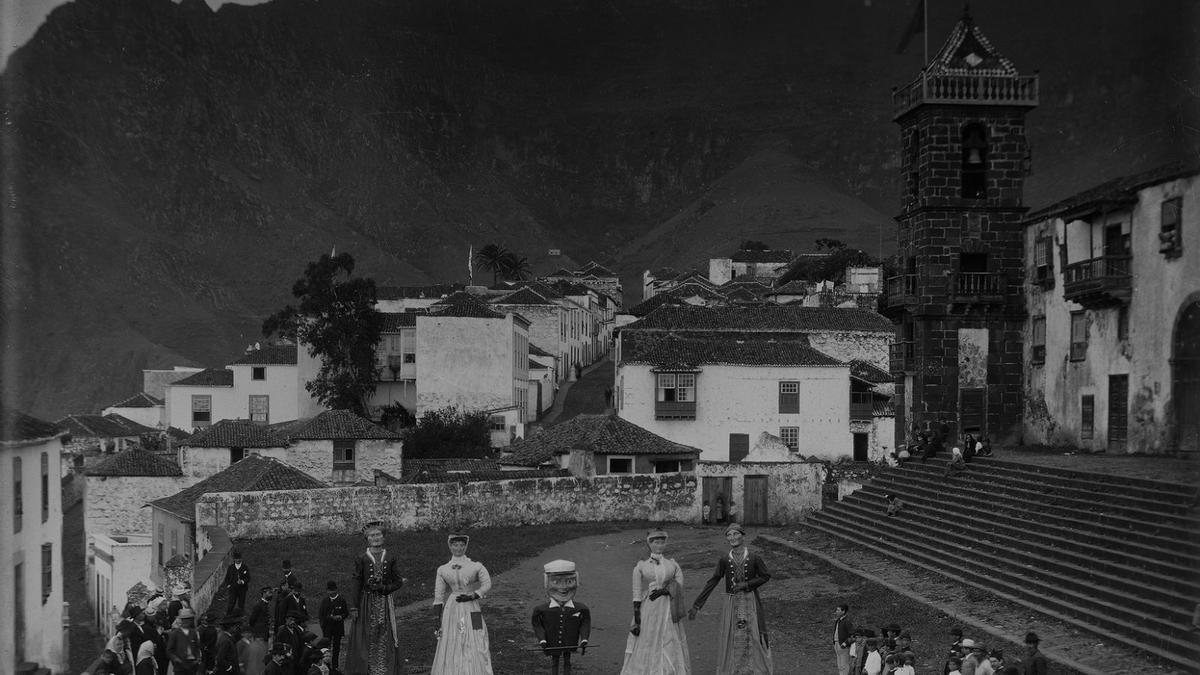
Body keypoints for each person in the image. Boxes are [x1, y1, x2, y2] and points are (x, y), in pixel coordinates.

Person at [688, 523, 772, 675]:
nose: (732, 537)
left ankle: (755, 668)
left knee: (753, 632)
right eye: (729, 535)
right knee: (732, 634)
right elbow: (713, 580)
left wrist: (747, 584)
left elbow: (766, 576)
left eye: (735, 534)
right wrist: (697, 605)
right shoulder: (725, 559)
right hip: (731, 601)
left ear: (742, 536)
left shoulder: (754, 558)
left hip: (750, 600)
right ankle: (734, 668)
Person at [620, 529, 689, 675]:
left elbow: (679, 582)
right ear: (649, 544)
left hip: (668, 606)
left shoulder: (672, 564)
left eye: (662, 542)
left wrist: (664, 591)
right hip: (650, 606)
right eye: (656, 542)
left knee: (669, 635)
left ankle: (668, 669)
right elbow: (637, 592)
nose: (659, 545)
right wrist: (637, 616)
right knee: (648, 635)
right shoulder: (642, 566)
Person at [343, 521, 404, 675]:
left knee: (384, 632)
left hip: (384, 602)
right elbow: (356, 581)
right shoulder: (362, 558)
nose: (375, 538)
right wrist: (354, 606)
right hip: (367, 602)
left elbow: (398, 582)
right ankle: (368, 669)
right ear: (367, 539)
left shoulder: (390, 557)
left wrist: (384, 588)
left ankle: (383, 669)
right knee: (367, 633)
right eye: (372, 535)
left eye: (378, 534)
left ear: (383, 537)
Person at [430, 533, 494, 674]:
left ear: (465, 546)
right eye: (455, 545)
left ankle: (476, 669)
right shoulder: (443, 569)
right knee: (456, 635)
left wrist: (474, 595)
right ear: (450, 546)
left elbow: (487, 583)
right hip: (453, 607)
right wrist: (437, 619)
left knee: (477, 633)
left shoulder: (475, 566)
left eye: (461, 545)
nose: (458, 548)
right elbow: (439, 595)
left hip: (472, 606)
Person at [531, 559, 591, 675]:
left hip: (569, 641)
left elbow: (585, 623)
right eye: (556, 582)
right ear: (546, 582)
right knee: (555, 661)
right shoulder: (541, 610)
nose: (563, 587)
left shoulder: (581, 608)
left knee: (567, 661)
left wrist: (584, 639)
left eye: (569, 581)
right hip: (553, 643)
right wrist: (542, 640)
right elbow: (537, 625)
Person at [318, 581, 348, 672]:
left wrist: (341, 617)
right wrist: (326, 622)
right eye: (329, 591)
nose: (331, 593)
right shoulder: (325, 601)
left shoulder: (341, 600)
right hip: (327, 628)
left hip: (337, 628)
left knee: (336, 647)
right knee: (326, 647)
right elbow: (322, 615)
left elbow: (346, 613)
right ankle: (326, 664)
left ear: (336, 590)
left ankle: (335, 665)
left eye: (332, 590)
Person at [166, 608, 202, 675]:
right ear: (181, 620)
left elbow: (197, 647)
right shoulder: (175, 634)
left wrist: (197, 658)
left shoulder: (193, 632)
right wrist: (176, 659)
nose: (186, 621)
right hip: (180, 666)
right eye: (184, 619)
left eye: (188, 619)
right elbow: (169, 650)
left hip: (192, 664)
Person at [832, 603, 852, 675]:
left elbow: (852, 635)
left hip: (843, 645)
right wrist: (834, 642)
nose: (836, 611)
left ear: (843, 611)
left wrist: (845, 643)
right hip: (837, 644)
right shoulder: (838, 621)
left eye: (838, 610)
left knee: (844, 664)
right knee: (839, 664)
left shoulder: (847, 621)